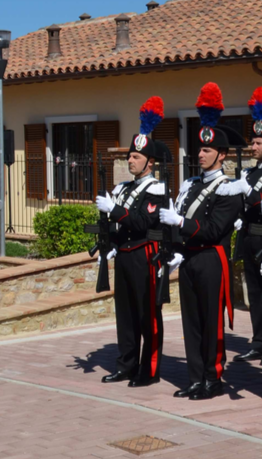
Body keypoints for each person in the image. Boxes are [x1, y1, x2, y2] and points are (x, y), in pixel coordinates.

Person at [160, 83, 245, 400]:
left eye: (207, 150)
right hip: (190, 259)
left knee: (211, 322)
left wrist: (180, 222)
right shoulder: (191, 185)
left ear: (221, 155)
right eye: (199, 149)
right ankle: (196, 378)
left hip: (212, 259)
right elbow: (181, 222)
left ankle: (214, 378)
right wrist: (175, 249)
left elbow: (211, 229)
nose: (200, 153)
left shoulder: (230, 189)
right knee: (191, 321)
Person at [95, 96, 167, 387]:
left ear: (150, 162)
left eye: (136, 157)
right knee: (124, 314)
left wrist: (114, 210)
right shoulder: (122, 188)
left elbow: (140, 223)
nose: (130, 160)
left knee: (146, 314)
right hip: (124, 255)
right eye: (130, 156)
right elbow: (118, 224)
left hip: (143, 255)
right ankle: (126, 364)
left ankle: (148, 370)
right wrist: (108, 241)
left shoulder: (157, 189)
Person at [235, 87, 262, 362]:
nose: (252, 147)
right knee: (253, 293)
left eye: (258, 142)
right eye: (252, 142)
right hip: (250, 239)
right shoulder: (250, 172)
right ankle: (258, 341)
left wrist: (249, 194)